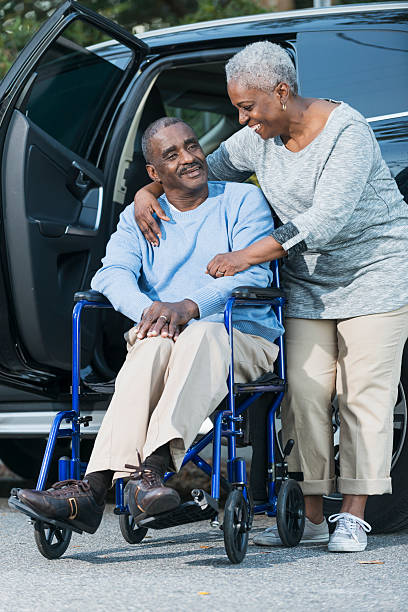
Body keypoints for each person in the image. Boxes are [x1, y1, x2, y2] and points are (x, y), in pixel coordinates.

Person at [133, 42, 408, 553]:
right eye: (238, 107)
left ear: (282, 92)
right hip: (308, 282)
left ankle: (351, 515)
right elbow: (199, 168)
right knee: (303, 394)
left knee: (362, 394)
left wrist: (246, 257)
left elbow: (326, 218)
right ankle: (307, 513)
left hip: (377, 273)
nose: (242, 118)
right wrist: (144, 193)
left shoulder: (347, 133)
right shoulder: (258, 139)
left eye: (247, 106)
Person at [16, 117, 283, 534]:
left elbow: (253, 275)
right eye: (172, 155)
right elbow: (111, 274)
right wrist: (151, 311)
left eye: (192, 146)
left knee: (203, 333)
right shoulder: (138, 217)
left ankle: (146, 469)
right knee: (154, 342)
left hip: (238, 335)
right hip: (165, 336)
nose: (190, 158)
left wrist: (191, 306)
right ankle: (97, 489)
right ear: (154, 174)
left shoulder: (242, 199)